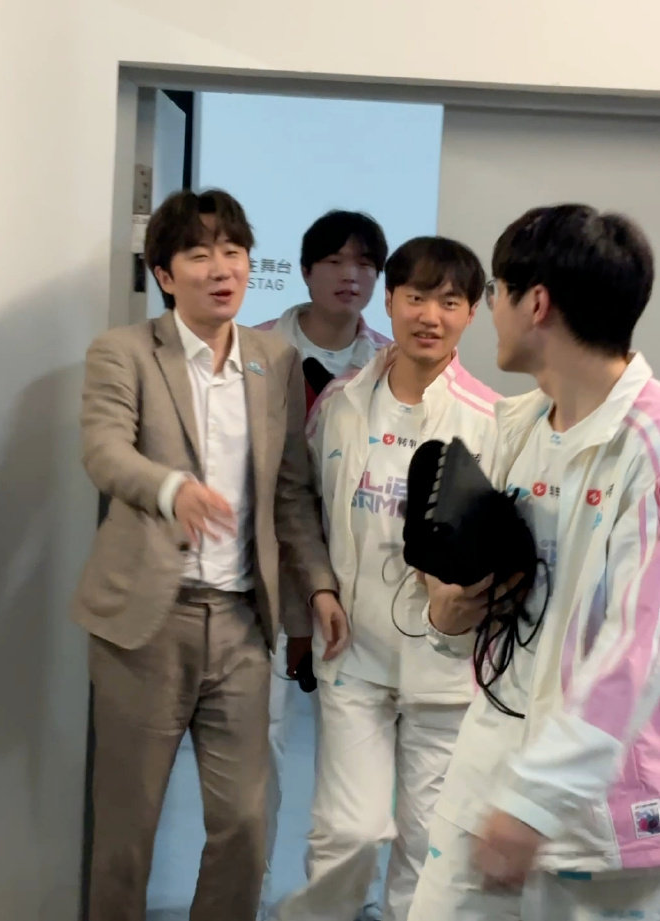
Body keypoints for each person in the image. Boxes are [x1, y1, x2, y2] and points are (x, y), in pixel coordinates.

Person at [72, 188, 349, 921]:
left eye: (233, 250)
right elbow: (104, 451)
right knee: (128, 830)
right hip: (145, 623)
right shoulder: (124, 352)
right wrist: (170, 489)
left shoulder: (274, 360)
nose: (222, 268)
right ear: (165, 274)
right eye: (199, 254)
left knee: (246, 824)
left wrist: (318, 586)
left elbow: (290, 492)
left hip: (240, 625)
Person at [408, 204, 660, 921]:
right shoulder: (518, 426)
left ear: (537, 303)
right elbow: (492, 605)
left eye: (495, 291)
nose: (490, 309)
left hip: (591, 810)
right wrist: (448, 611)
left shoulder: (647, 449)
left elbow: (639, 652)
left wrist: (534, 801)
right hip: (490, 774)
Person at [271, 236, 500, 921]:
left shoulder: (494, 422)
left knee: (430, 844)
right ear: (391, 300)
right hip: (355, 655)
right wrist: (312, 601)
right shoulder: (340, 403)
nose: (430, 315)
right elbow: (303, 505)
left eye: (450, 302)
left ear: (472, 313)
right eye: (417, 297)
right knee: (348, 831)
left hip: (446, 668)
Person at [255, 209, 390, 920]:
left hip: (358, 585)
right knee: (261, 749)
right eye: (335, 260)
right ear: (306, 270)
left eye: (365, 263)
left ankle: (341, 901)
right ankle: (249, 892)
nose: (350, 275)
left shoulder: (393, 362)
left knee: (352, 756)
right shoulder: (254, 351)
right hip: (266, 575)